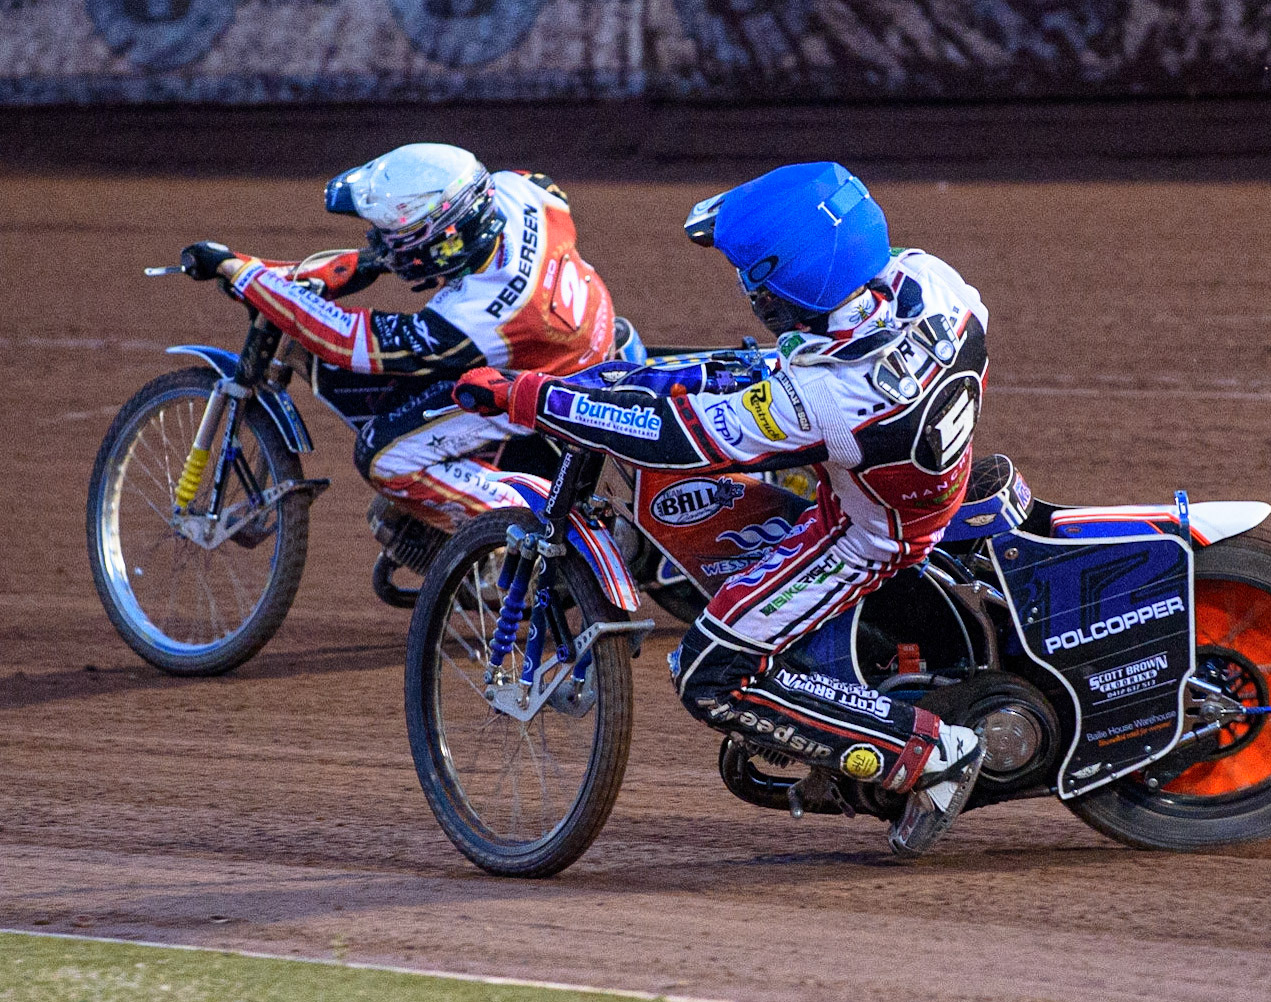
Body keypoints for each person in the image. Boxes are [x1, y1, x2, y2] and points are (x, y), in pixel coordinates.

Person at [450, 162, 991, 857]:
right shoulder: (928, 280)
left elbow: (673, 439)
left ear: (782, 284)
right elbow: (789, 365)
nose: (746, 288)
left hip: (869, 534)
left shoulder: (828, 397)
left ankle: (927, 756)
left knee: (709, 673)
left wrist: (527, 397)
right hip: (924, 464)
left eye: (751, 275)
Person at [180, 142, 624, 534]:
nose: (383, 243)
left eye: (397, 238)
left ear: (445, 240)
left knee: (382, 456)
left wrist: (245, 276)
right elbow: (384, 258)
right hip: (595, 333)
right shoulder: (521, 189)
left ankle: (547, 528)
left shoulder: (472, 317)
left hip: (549, 385)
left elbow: (345, 339)